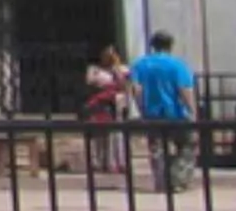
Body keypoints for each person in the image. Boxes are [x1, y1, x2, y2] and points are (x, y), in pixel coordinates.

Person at [129, 31, 199, 193]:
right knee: (187, 145)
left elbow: (136, 89)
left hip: (152, 113)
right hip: (176, 114)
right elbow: (184, 90)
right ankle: (178, 179)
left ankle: (161, 182)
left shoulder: (140, 65)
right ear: (170, 46)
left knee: (157, 148)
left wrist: (142, 109)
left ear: (152, 45)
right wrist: (192, 111)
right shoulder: (177, 65)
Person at [81, 45, 130, 175]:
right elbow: (90, 82)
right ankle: (99, 162)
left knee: (117, 134)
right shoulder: (94, 69)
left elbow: (125, 84)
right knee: (99, 134)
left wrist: (116, 68)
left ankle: (119, 162)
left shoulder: (122, 69)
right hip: (99, 103)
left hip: (117, 104)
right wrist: (107, 87)